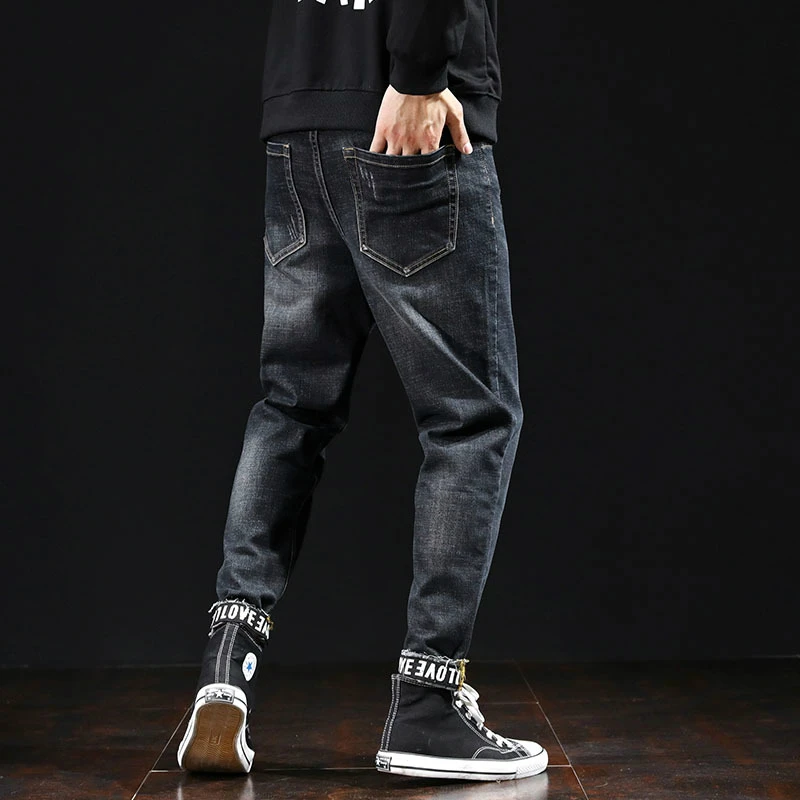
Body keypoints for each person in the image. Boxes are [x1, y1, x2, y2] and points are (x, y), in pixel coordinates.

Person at [177, 0, 548, 783]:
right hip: (402, 111)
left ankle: (226, 666)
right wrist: (418, 73)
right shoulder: (411, 85)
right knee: (470, 418)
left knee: (292, 405)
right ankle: (427, 702)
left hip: (299, 113)